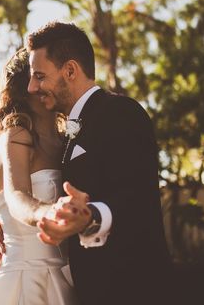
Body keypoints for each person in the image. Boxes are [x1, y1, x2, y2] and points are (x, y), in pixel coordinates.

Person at [25, 21, 172, 305]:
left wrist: (91, 215)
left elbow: (139, 196)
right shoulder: (67, 131)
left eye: (40, 76)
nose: (33, 87)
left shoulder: (121, 112)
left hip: (133, 288)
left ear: (70, 70)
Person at [0, 47, 77, 304]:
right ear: (24, 85)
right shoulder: (17, 135)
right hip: (26, 279)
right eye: (38, 77)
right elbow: (17, 195)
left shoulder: (66, 140)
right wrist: (49, 214)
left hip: (67, 275)